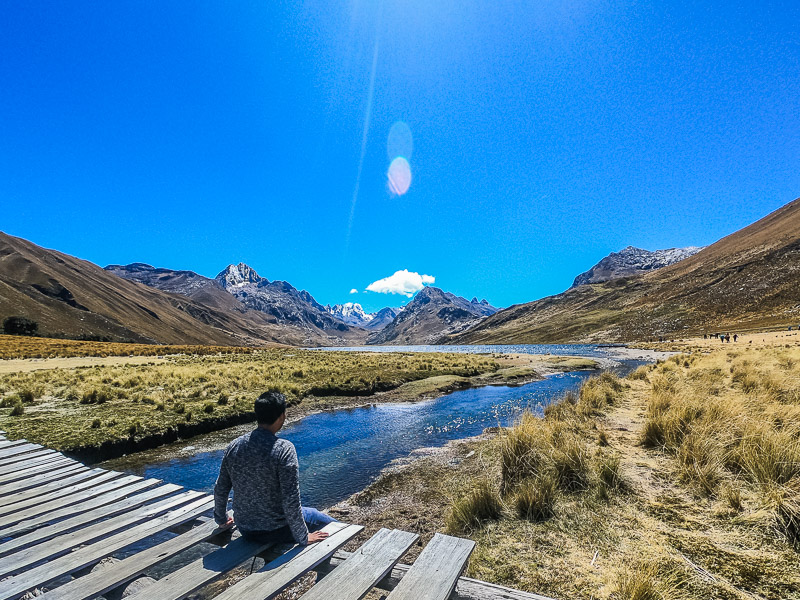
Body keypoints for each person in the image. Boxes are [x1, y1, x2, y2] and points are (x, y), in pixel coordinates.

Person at [213, 391, 336, 545]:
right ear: (281, 416)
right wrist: (303, 537)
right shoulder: (283, 449)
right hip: (277, 530)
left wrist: (221, 519)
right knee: (323, 519)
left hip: (245, 529)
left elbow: (220, 489)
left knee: (309, 514)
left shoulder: (234, 446)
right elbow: (291, 501)